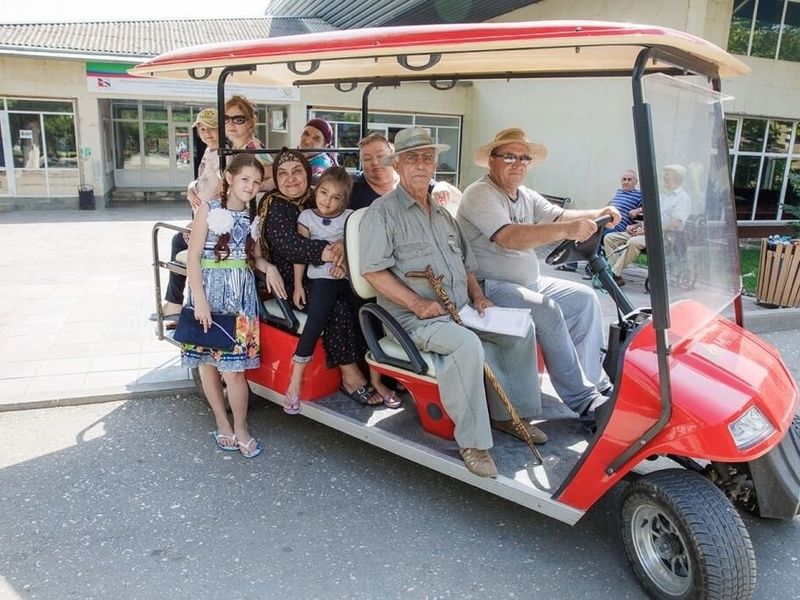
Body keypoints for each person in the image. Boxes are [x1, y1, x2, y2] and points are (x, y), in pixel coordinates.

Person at [360, 127, 550, 479]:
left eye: (427, 158)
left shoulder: (444, 214)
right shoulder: (381, 213)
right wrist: (417, 304)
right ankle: (473, 442)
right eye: (412, 158)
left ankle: (510, 416)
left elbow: (466, 265)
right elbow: (373, 271)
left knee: (520, 329)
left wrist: (479, 297)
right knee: (466, 344)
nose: (421, 164)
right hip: (413, 320)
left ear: (435, 165)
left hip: (460, 309)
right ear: (397, 165)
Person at [457, 128, 620, 398]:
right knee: (548, 310)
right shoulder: (480, 194)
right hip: (489, 286)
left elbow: (560, 215)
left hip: (528, 282)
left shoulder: (525, 195)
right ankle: (582, 399)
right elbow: (508, 237)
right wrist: (567, 230)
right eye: (510, 157)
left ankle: (597, 382)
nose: (518, 164)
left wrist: (598, 212)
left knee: (585, 299)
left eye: (524, 158)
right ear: (491, 161)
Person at [256, 148, 386, 407]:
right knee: (336, 307)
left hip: (327, 275)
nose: (290, 179)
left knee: (364, 298)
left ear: (307, 174)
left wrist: (345, 251)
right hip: (291, 281)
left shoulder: (314, 198)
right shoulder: (275, 205)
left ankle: (375, 365)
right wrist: (334, 253)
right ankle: (350, 375)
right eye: (282, 173)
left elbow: (348, 229)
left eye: (297, 171)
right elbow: (292, 246)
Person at [182, 154, 284, 459]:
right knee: (208, 362)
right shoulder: (209, 209)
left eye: (256, 181)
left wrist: (268, 267)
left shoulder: (253, 216)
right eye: (245, 179)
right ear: (229, 178)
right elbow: (193, 257)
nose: (250, 186)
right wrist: (200, 300)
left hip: (240, 297)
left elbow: (254, 257)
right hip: (209, 292)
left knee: (236, 371)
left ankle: (241, 427)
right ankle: (221, 422)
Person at [284, 166, 402, 414]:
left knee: (369, 317)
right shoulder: (307, 217)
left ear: (344, 200)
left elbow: (359, 247)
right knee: (315, 323)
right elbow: (300, 254)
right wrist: (298, 285)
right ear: (316, 191)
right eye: (323, 193)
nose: (327, 201)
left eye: (335, 197)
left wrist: (345, 260)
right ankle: (294, 383)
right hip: (322, 280)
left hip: (348, 278)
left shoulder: (351, 217)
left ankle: (377, 380)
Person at [154, 108, 222, 322]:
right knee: (178, 240)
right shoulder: (210, 151)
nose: (207, 134)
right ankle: (175, 303)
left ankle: (176, 303)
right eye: (202, 129)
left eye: (212, 128)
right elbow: (204, 179)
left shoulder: (225, 155)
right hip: (202, 217)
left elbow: (224, 192)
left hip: (213, 222)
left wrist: (200, 222)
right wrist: (191, 186)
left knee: (179, 241)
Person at [603, 164, 691, 283]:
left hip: (664, 237)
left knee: (633, 242)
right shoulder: (663, 196)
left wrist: (646, 231)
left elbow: (674, 224)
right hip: (646, 233)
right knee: (609, 238)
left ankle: (612, 274)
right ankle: (615, 273)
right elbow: (651, 218)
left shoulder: (682, 198)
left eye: (667, 175)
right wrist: (635, 226)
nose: (664, 177)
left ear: (677, 178)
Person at [560, 169, 643, 276]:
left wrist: (638, 210)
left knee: (596, 234)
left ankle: (592, 269)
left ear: (635, 182)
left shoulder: (639, 195)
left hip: (618, 227)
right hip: (605, 223)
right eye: (624, 179)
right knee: (581, 227)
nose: (626, 182)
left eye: (629, 180)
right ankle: (571, 263)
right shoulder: (618, 192)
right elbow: (608, 205)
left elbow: (649, 207)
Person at [350, 131, 461, 210]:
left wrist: (441, 186)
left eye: (380, 156)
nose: (374, 162)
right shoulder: (351, 189)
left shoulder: (410, 179)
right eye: (367, 159)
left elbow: (457, 197)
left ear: (394, 158)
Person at [224, 94, 274, 191]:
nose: (230, 124)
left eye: (238, 119)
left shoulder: (254, 149)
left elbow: (273, 177)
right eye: (226, 119)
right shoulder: (236, 149)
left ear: (250, 123)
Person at [299, 117, 337, 182]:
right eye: (306, 134)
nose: (308, 141)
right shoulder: (298, 157)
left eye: (316, 138)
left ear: (325, 146)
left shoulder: (320, 168)